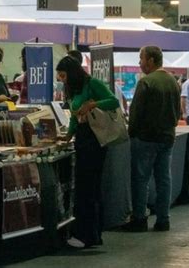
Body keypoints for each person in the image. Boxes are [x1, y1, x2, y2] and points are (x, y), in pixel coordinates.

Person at [56, 56, 119, 248]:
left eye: (63, 76)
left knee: (87, 188)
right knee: (87, 188)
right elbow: (76, 117)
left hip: (94, 141)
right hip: (82, 139)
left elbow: (113, 101)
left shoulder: (93, 84)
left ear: (72, 73)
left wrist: (93, 104)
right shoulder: (74, 90)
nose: (62, 80)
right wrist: (68, 136)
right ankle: (91, 233)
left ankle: (86, 235)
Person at [123, 46, 180, 232]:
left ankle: (139, 218)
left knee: (141, 179)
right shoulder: (173, 81)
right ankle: (163, 219)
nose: (140, 62)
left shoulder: (146, 82)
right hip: (167, 136)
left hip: (145, 138)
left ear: (151, 60)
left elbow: (136, 112)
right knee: (164, 179)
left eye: (142, 58)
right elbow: (178, 111)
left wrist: (131, 132)